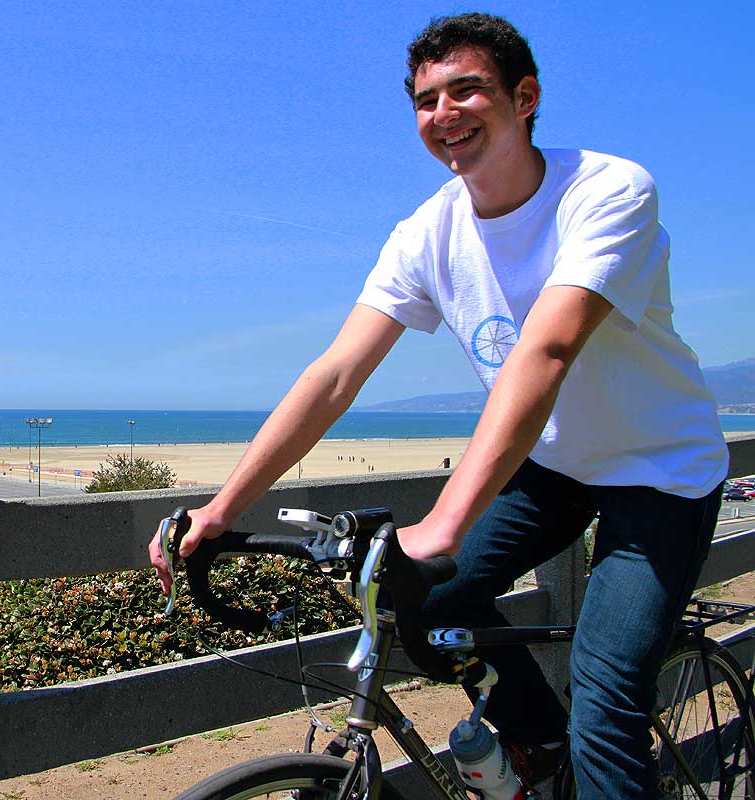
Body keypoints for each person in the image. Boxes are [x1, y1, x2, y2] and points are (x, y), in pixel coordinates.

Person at [148, 12, 728, 799]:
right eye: (426, 100)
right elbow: (336, 374)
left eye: (467, 90)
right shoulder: (427, 232)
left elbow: (546, 352)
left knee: (607, 697)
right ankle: (540, 747)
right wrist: (222, 508)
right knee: (422, 606)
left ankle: (584, 747)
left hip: (659, 471)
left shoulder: (607, 189)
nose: (443, 114)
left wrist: (444, 525)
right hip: (554, 464)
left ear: (524, 97)